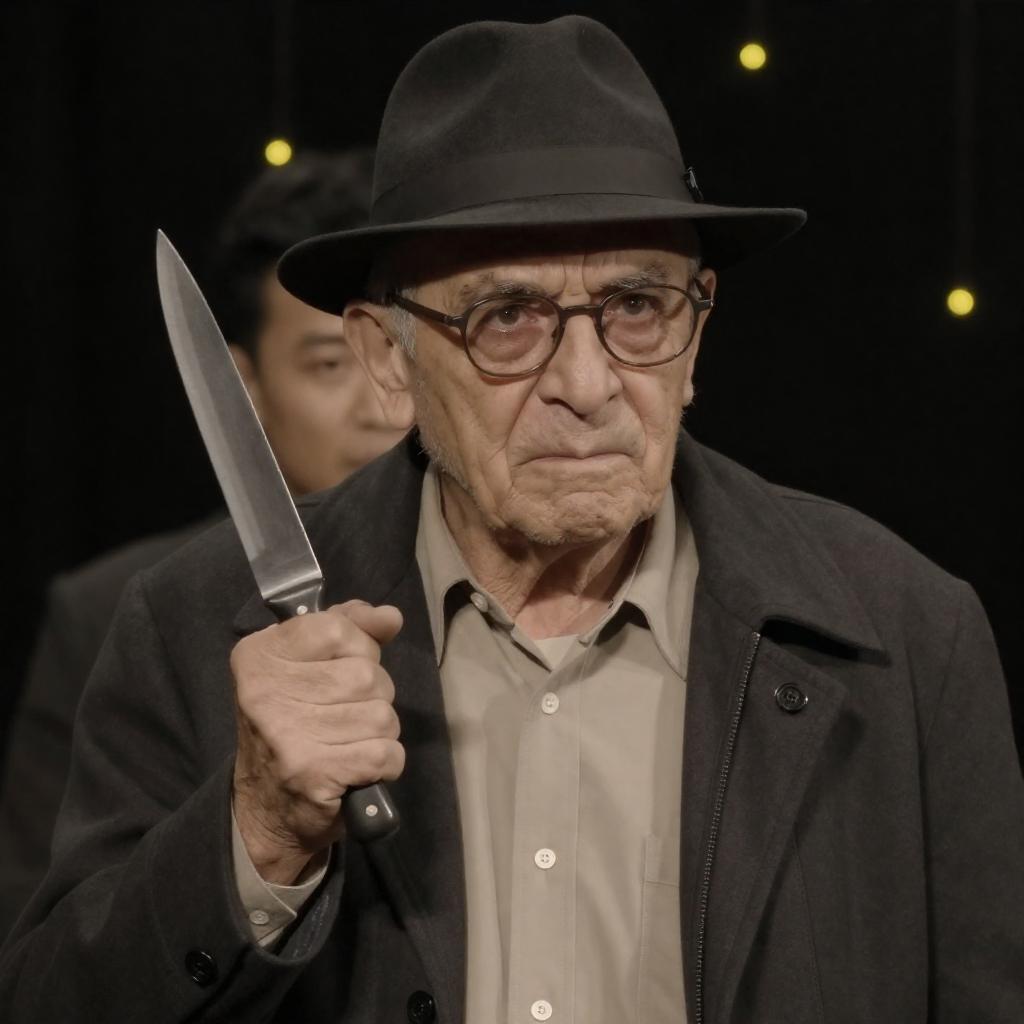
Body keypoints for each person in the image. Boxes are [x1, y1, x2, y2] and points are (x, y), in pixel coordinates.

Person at [2, 16, 1022, 1023]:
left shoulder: (907, 638)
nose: (587, 383)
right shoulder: (191, 630)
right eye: (507, 317)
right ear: (386, 358)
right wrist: (258, 836)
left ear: (697, 331)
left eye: (637, 307)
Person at [0, 148, 407, 939]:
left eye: (397, 357)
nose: (380, 407)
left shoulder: (513, 579)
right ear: (243, 384)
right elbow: (44, 946)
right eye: (331, 364)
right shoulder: (109, 614)